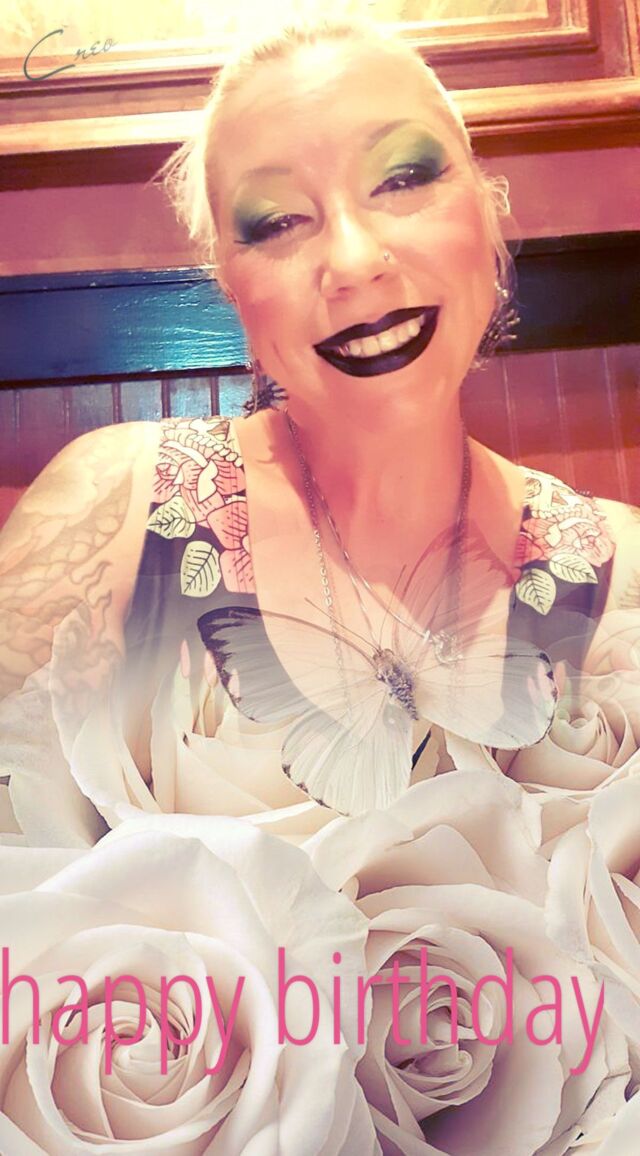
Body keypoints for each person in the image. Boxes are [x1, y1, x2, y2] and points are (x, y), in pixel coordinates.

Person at [0, 15, 637, 825]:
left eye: (402, 178)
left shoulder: (622, 573)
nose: (354, 261)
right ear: (231, 286)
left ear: (487, 207)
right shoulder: (113, 509)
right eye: (277, 223)